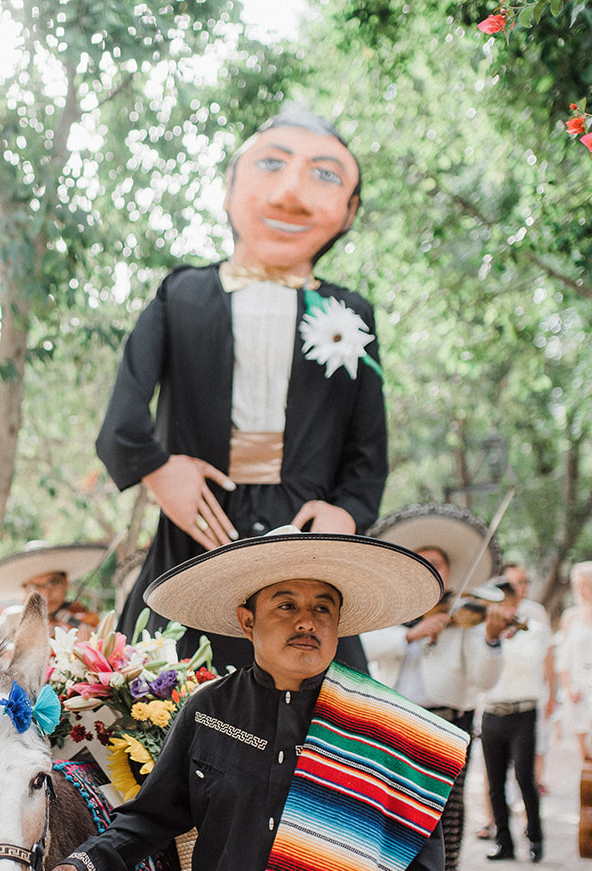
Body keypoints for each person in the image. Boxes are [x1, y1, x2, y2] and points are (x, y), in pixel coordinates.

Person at [43, 530, 465, 871]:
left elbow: (421, 861)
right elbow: (150, 817)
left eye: (322, 608)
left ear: (338, 625)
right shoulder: (209, 711)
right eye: (285, 605)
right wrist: (85, 866)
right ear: (248, 621)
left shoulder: (384, 731)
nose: (306, 621)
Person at [95, 106, 387, 673]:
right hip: (196, 526)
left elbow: (367, 452)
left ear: (349, 212)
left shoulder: (350, 313)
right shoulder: (180, 294)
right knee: (165, 694)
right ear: (229, 191)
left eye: (326, 176)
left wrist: (347, 514)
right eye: (270, 166)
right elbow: (123, 418)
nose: (290, 195)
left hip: (303, 541)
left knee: (322, 707)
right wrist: (159, 469)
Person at [362, 535, 511, 871]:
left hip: (446, 728)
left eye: (442, 565)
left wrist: (489, 636)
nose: (436, 572)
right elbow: (360, 647)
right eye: (425, 562)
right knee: (386, 836)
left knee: (444, 839)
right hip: (390, 726)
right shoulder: (388, 607)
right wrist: (410, 633)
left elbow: (484, 678)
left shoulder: (465, 616)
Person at [477, 563, 552, 863]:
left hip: (522, 712)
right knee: (494, 783)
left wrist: (501, 636)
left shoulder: (533, 628)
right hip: (492, 712)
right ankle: (503, 842)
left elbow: (529, 662)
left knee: (524, 777)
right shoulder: (483, 630)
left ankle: (535, 837)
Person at [0, 542, 107, 637]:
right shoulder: (11, 620)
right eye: (35, 587)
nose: (45, 593)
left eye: (53, 583)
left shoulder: (85, 620)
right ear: (26, 590)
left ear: (66, 582)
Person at [555, 561, 592, 762]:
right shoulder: (570, 617)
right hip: (579, 693)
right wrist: (568, 687)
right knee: (586, 759)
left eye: (585, 584)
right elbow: (563, 658)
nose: (580, 590)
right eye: (577, 584)